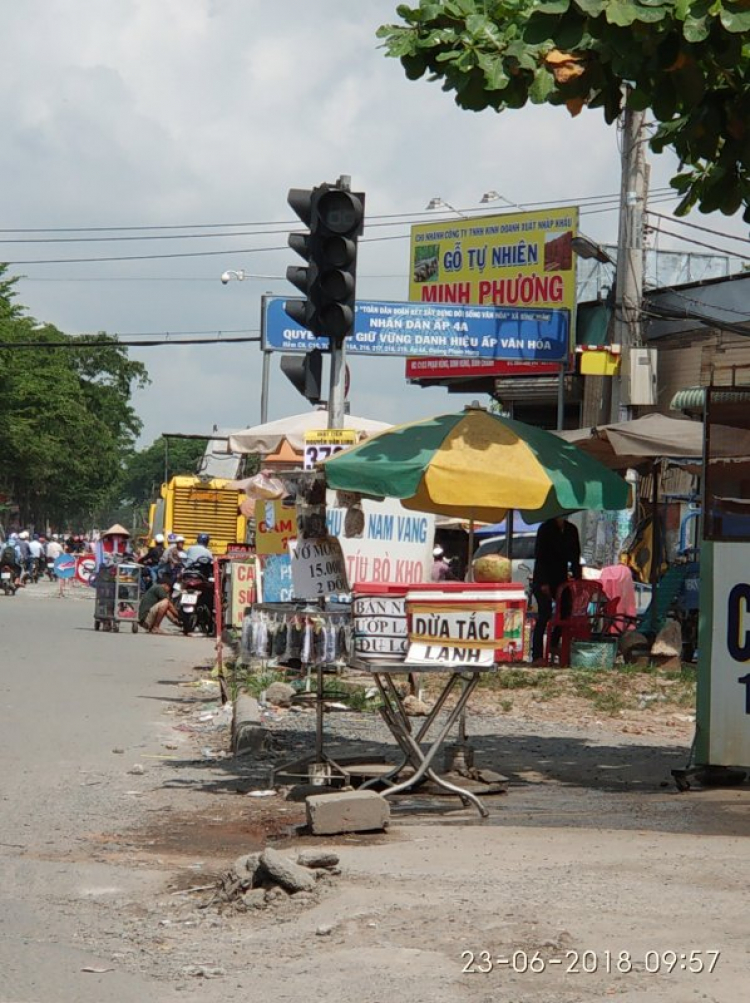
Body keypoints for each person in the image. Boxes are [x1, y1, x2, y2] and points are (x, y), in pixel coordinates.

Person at [530, 516, 582, 666]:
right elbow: (540, 557)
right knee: (544, 613)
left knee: (566, 612)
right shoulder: (545, 529)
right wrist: (543, 583)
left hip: (561, 578)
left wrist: (578, 580)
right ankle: (537, 655)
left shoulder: (571, 530)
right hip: (543, 578)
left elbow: (575, 558)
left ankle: (553, 645)